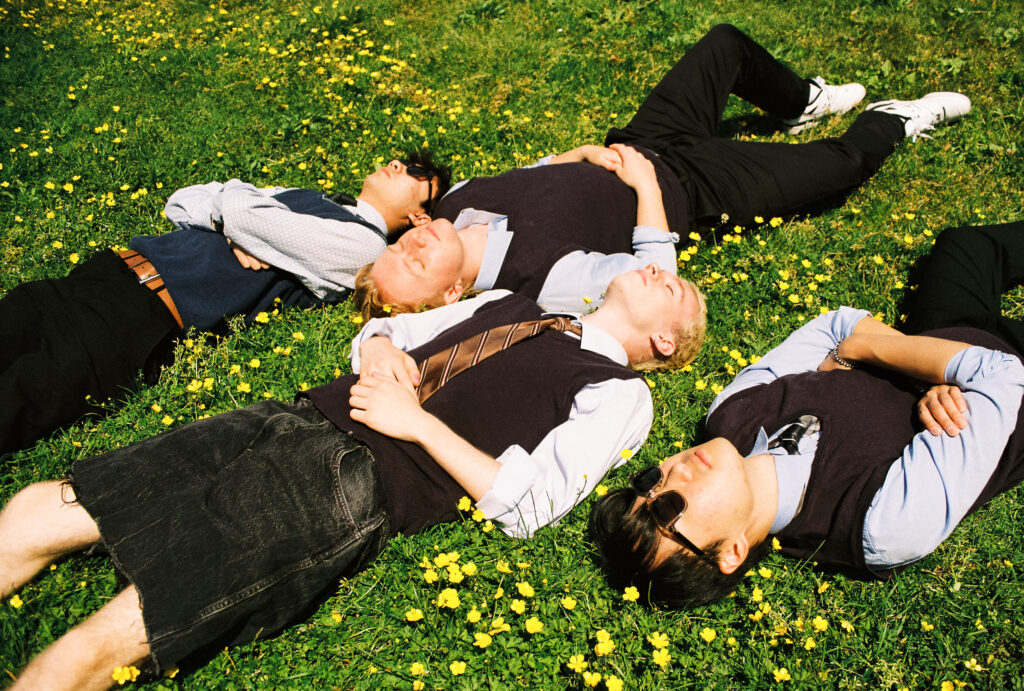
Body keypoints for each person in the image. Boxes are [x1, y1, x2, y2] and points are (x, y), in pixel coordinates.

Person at [0, 261, 705, 690]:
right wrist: (377, 352)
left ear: (665, 341)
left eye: (672, 286)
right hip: (290, 416)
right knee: (41, 507)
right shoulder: (516, 307)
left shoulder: (623, 393)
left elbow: (531, 504)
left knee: (129, 619)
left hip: (350, 480)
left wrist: (416, 422)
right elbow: (386, 333)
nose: (655, 270)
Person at [354, 24, 970, 319]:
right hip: (695, 185)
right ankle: (894, 119)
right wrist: (647, 185)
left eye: (401, 246)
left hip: (645, 141)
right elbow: (655, 277)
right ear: (452, 294)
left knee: (724, 45)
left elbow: (531, 175)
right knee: (842, 166)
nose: (415, 241)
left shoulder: (457, 204)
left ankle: (799, 101)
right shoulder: (537, 281)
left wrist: (578, 155)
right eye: (417, 264)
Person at [589, 221, 1024, 610]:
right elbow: (1002, 375)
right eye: (669, 507)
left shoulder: (731, 412)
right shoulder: (879, 522)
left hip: (941, 336)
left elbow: (839, 324)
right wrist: (863, 354)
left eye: (648, 481)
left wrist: (912, 368)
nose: (672, 472)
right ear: (731, 552)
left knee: (965, 246)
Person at [0, 153, 451, 455]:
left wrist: (237, 216)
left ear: (420, 216)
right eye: (402, 160)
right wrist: (231, 224)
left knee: (16, 398)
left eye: (415, 172)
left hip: (135, 319)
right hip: (101, 275)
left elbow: (238, 209)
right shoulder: (311, 198)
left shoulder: (362, 247)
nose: (398, 164)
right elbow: (181, 201)